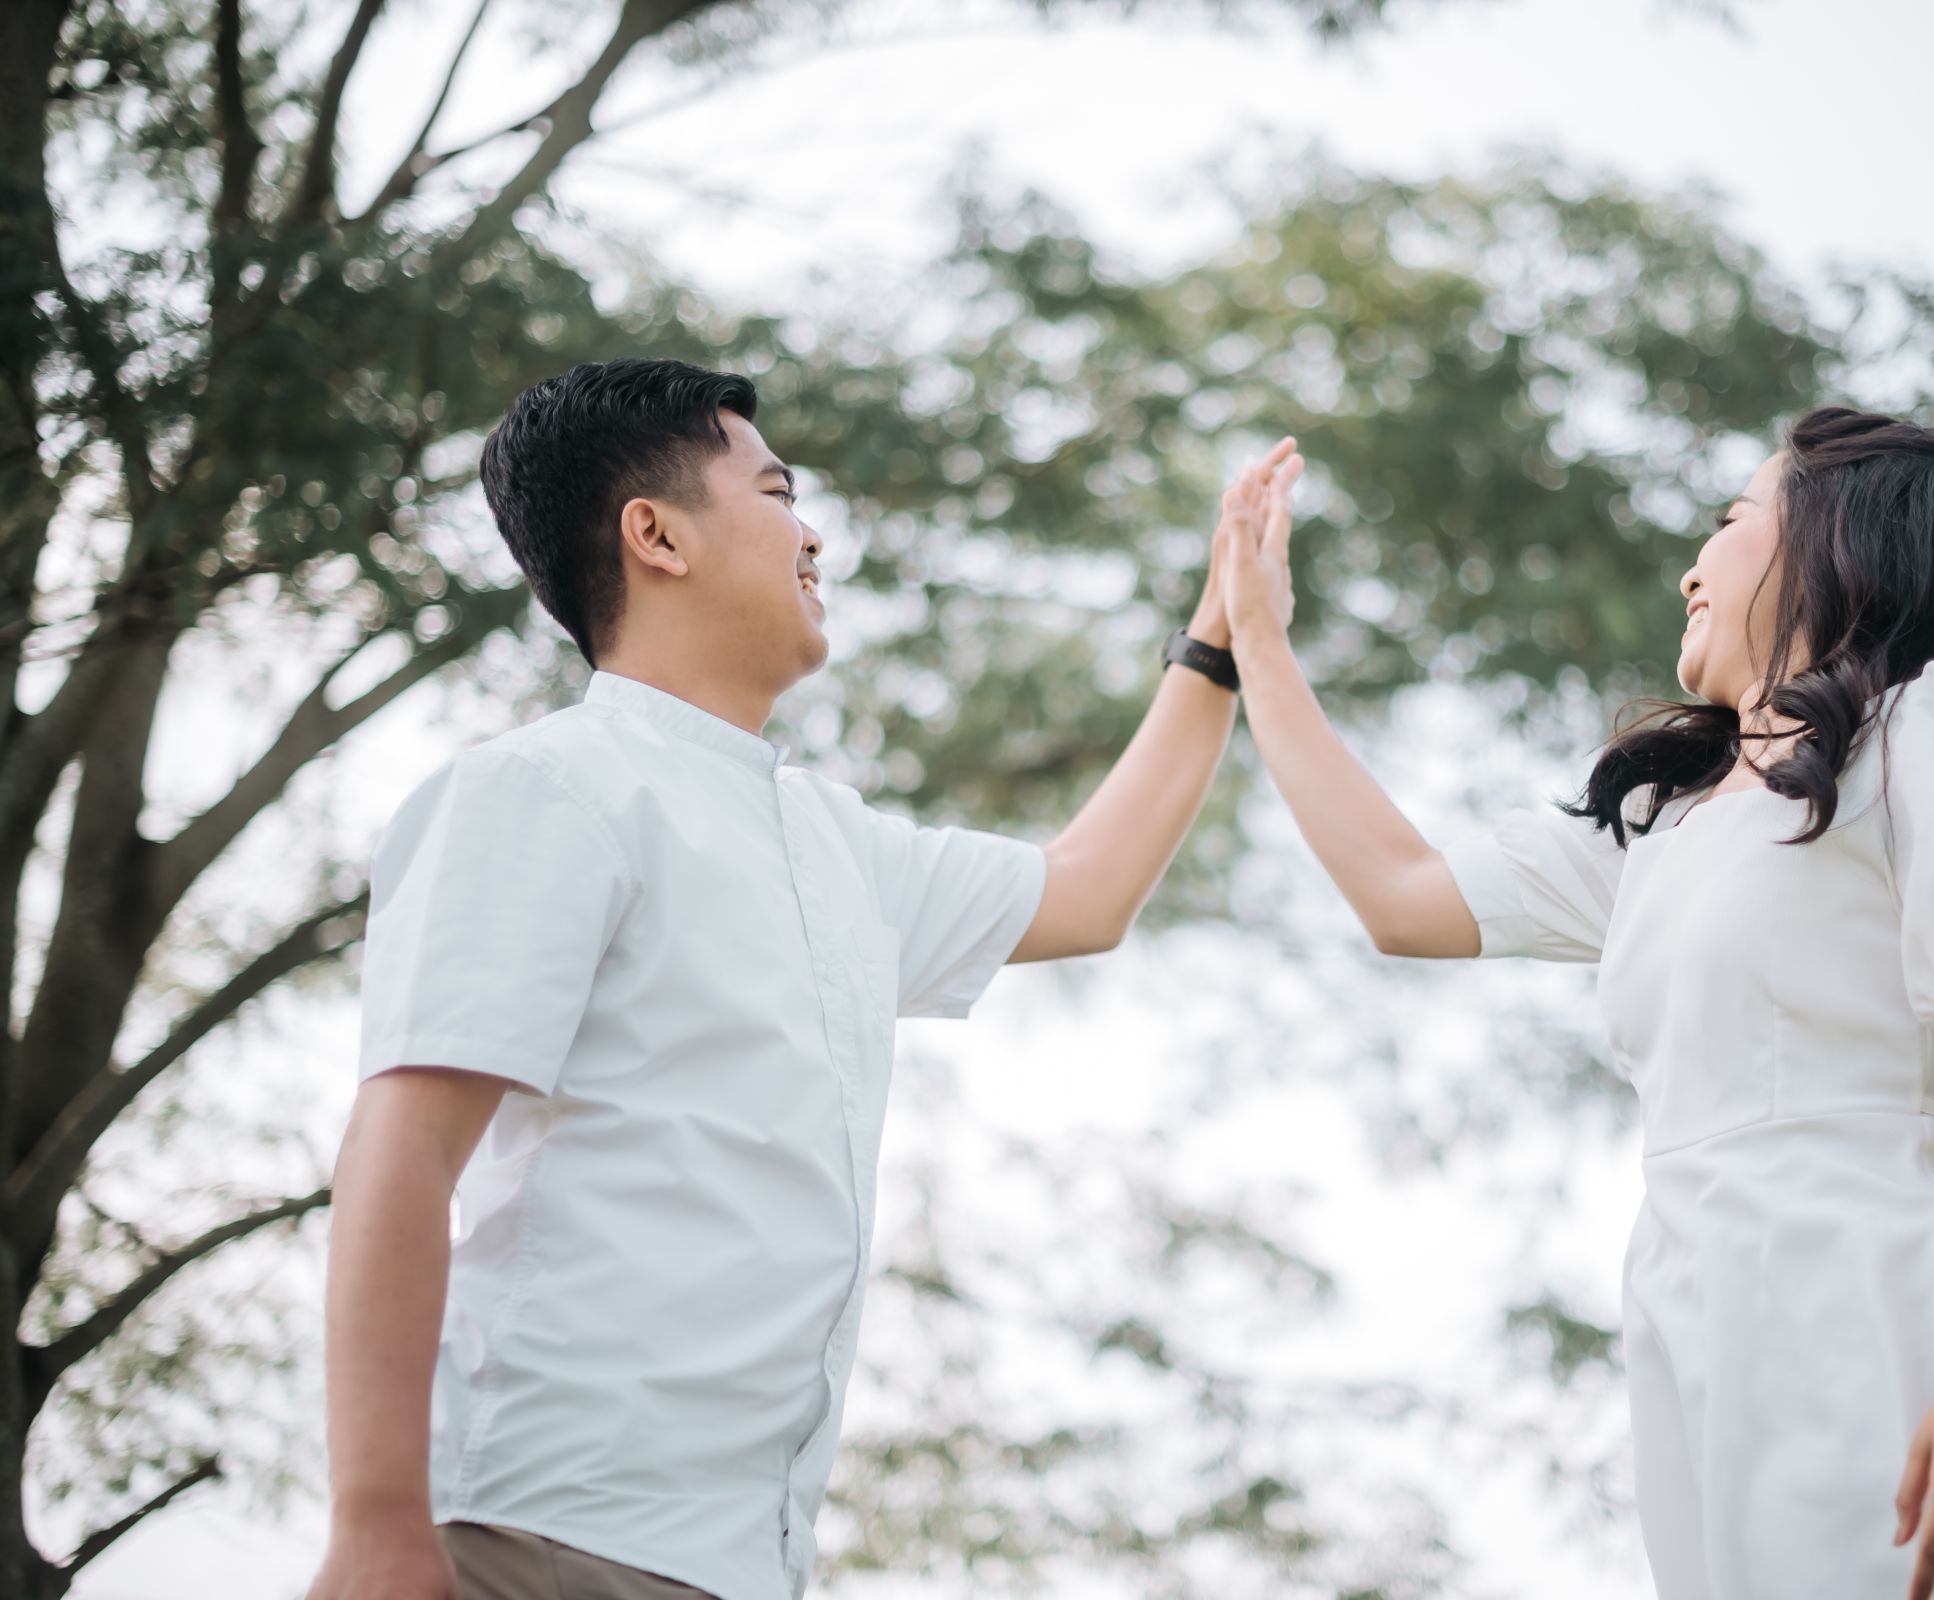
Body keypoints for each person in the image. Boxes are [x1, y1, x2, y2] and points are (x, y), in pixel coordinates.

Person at [307, 357, 1300, 1600]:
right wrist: (377, 1519)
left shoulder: (836, 846)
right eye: (777, 494)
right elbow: (404, 1144)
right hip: (538, 1533)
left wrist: (1221, 636)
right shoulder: (544, 788)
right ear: (656, 535)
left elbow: (1089, 889)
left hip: (739, 1566)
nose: (813, 534)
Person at [1213, 406, 1934, 1600]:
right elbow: (1401, 894)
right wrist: (1257, 639)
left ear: (1840, 543)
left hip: (1886, 1307)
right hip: (1699, 1336)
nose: (1691, 571)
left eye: (1732, 519)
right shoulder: (1665, 828)